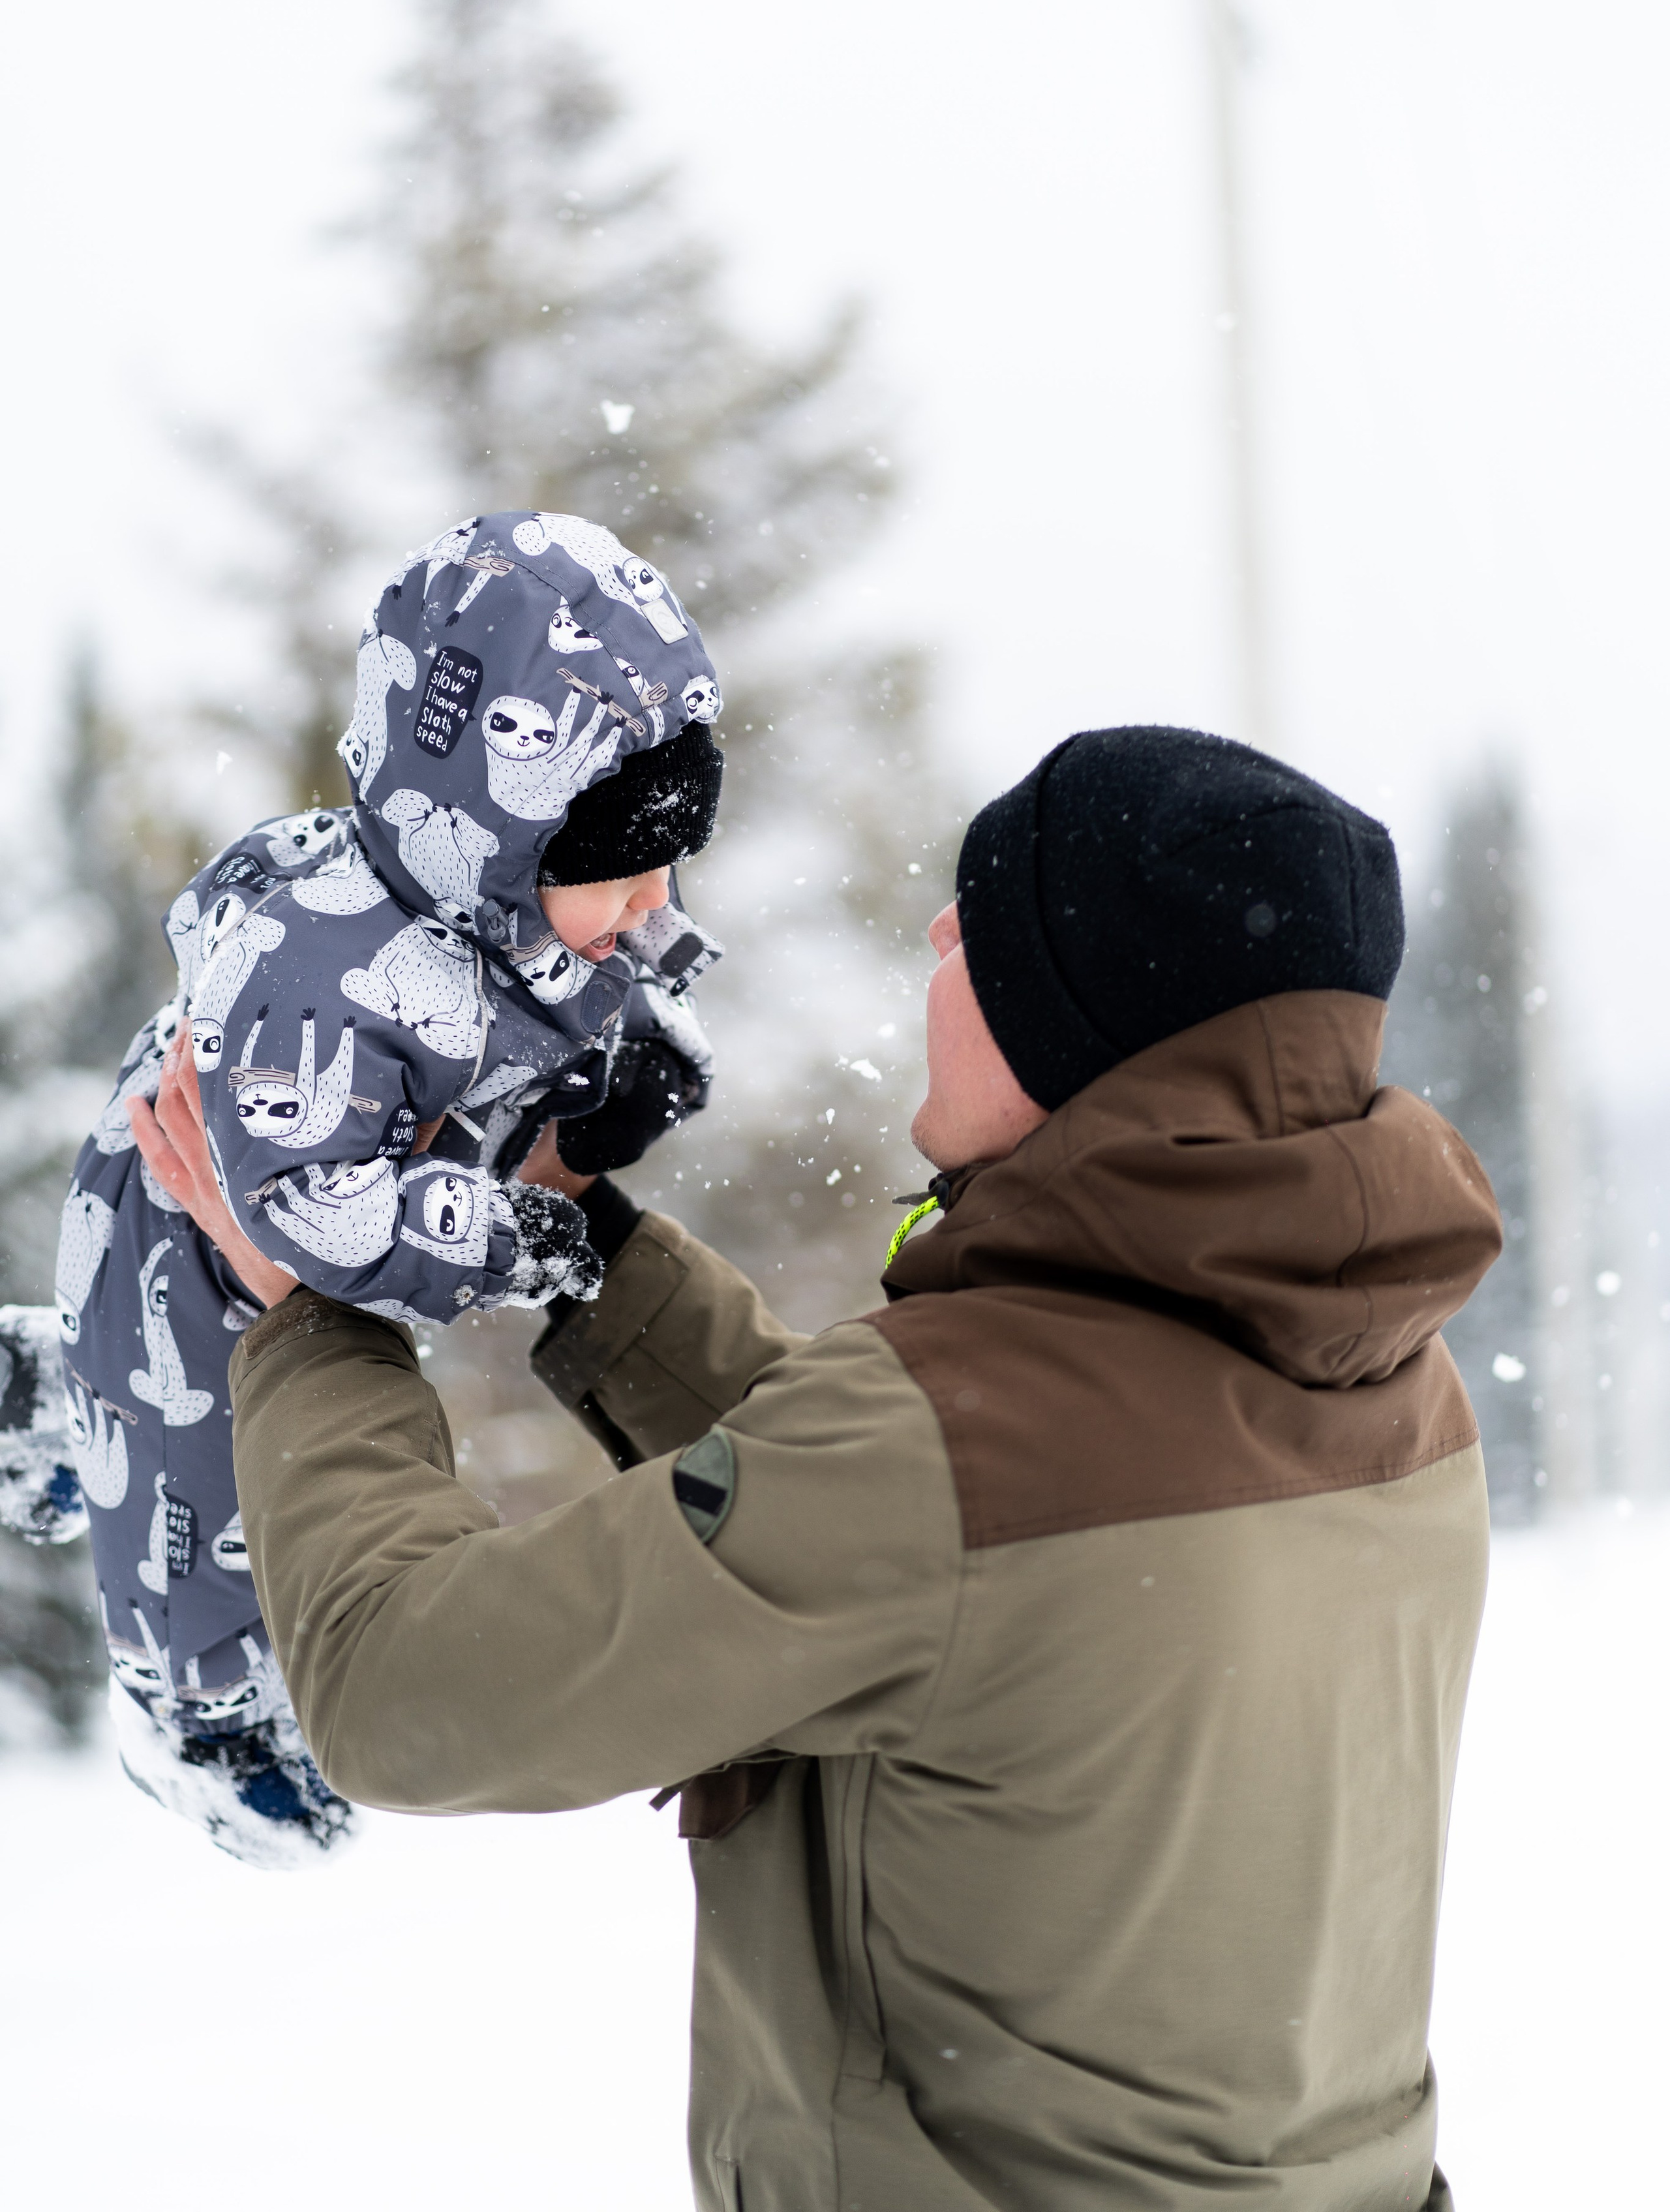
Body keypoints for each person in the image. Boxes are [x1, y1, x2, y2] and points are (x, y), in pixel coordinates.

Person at [136, 726, 1500, 2209]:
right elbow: (953, 1547)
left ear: (1083, 1018)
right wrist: (581, 1250)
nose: (935, 931)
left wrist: (310, 1308)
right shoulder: (1384, 1383)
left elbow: (405, 1692)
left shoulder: (958, 1439)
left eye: (981, 919)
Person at [11, 510, 724, 1864]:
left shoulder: (499, 907)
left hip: (277, 1244)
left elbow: (557, 1000)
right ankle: (203, 1724)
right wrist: (520, 1241)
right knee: (197, 1508)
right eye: (616, 870)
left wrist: (619, 1076)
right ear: (492, 835)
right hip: (193, 1247)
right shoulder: (315, 971)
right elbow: (315, 1208)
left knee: (227, 1439)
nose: (650, 898)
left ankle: (56, 1408)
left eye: (665, 861)